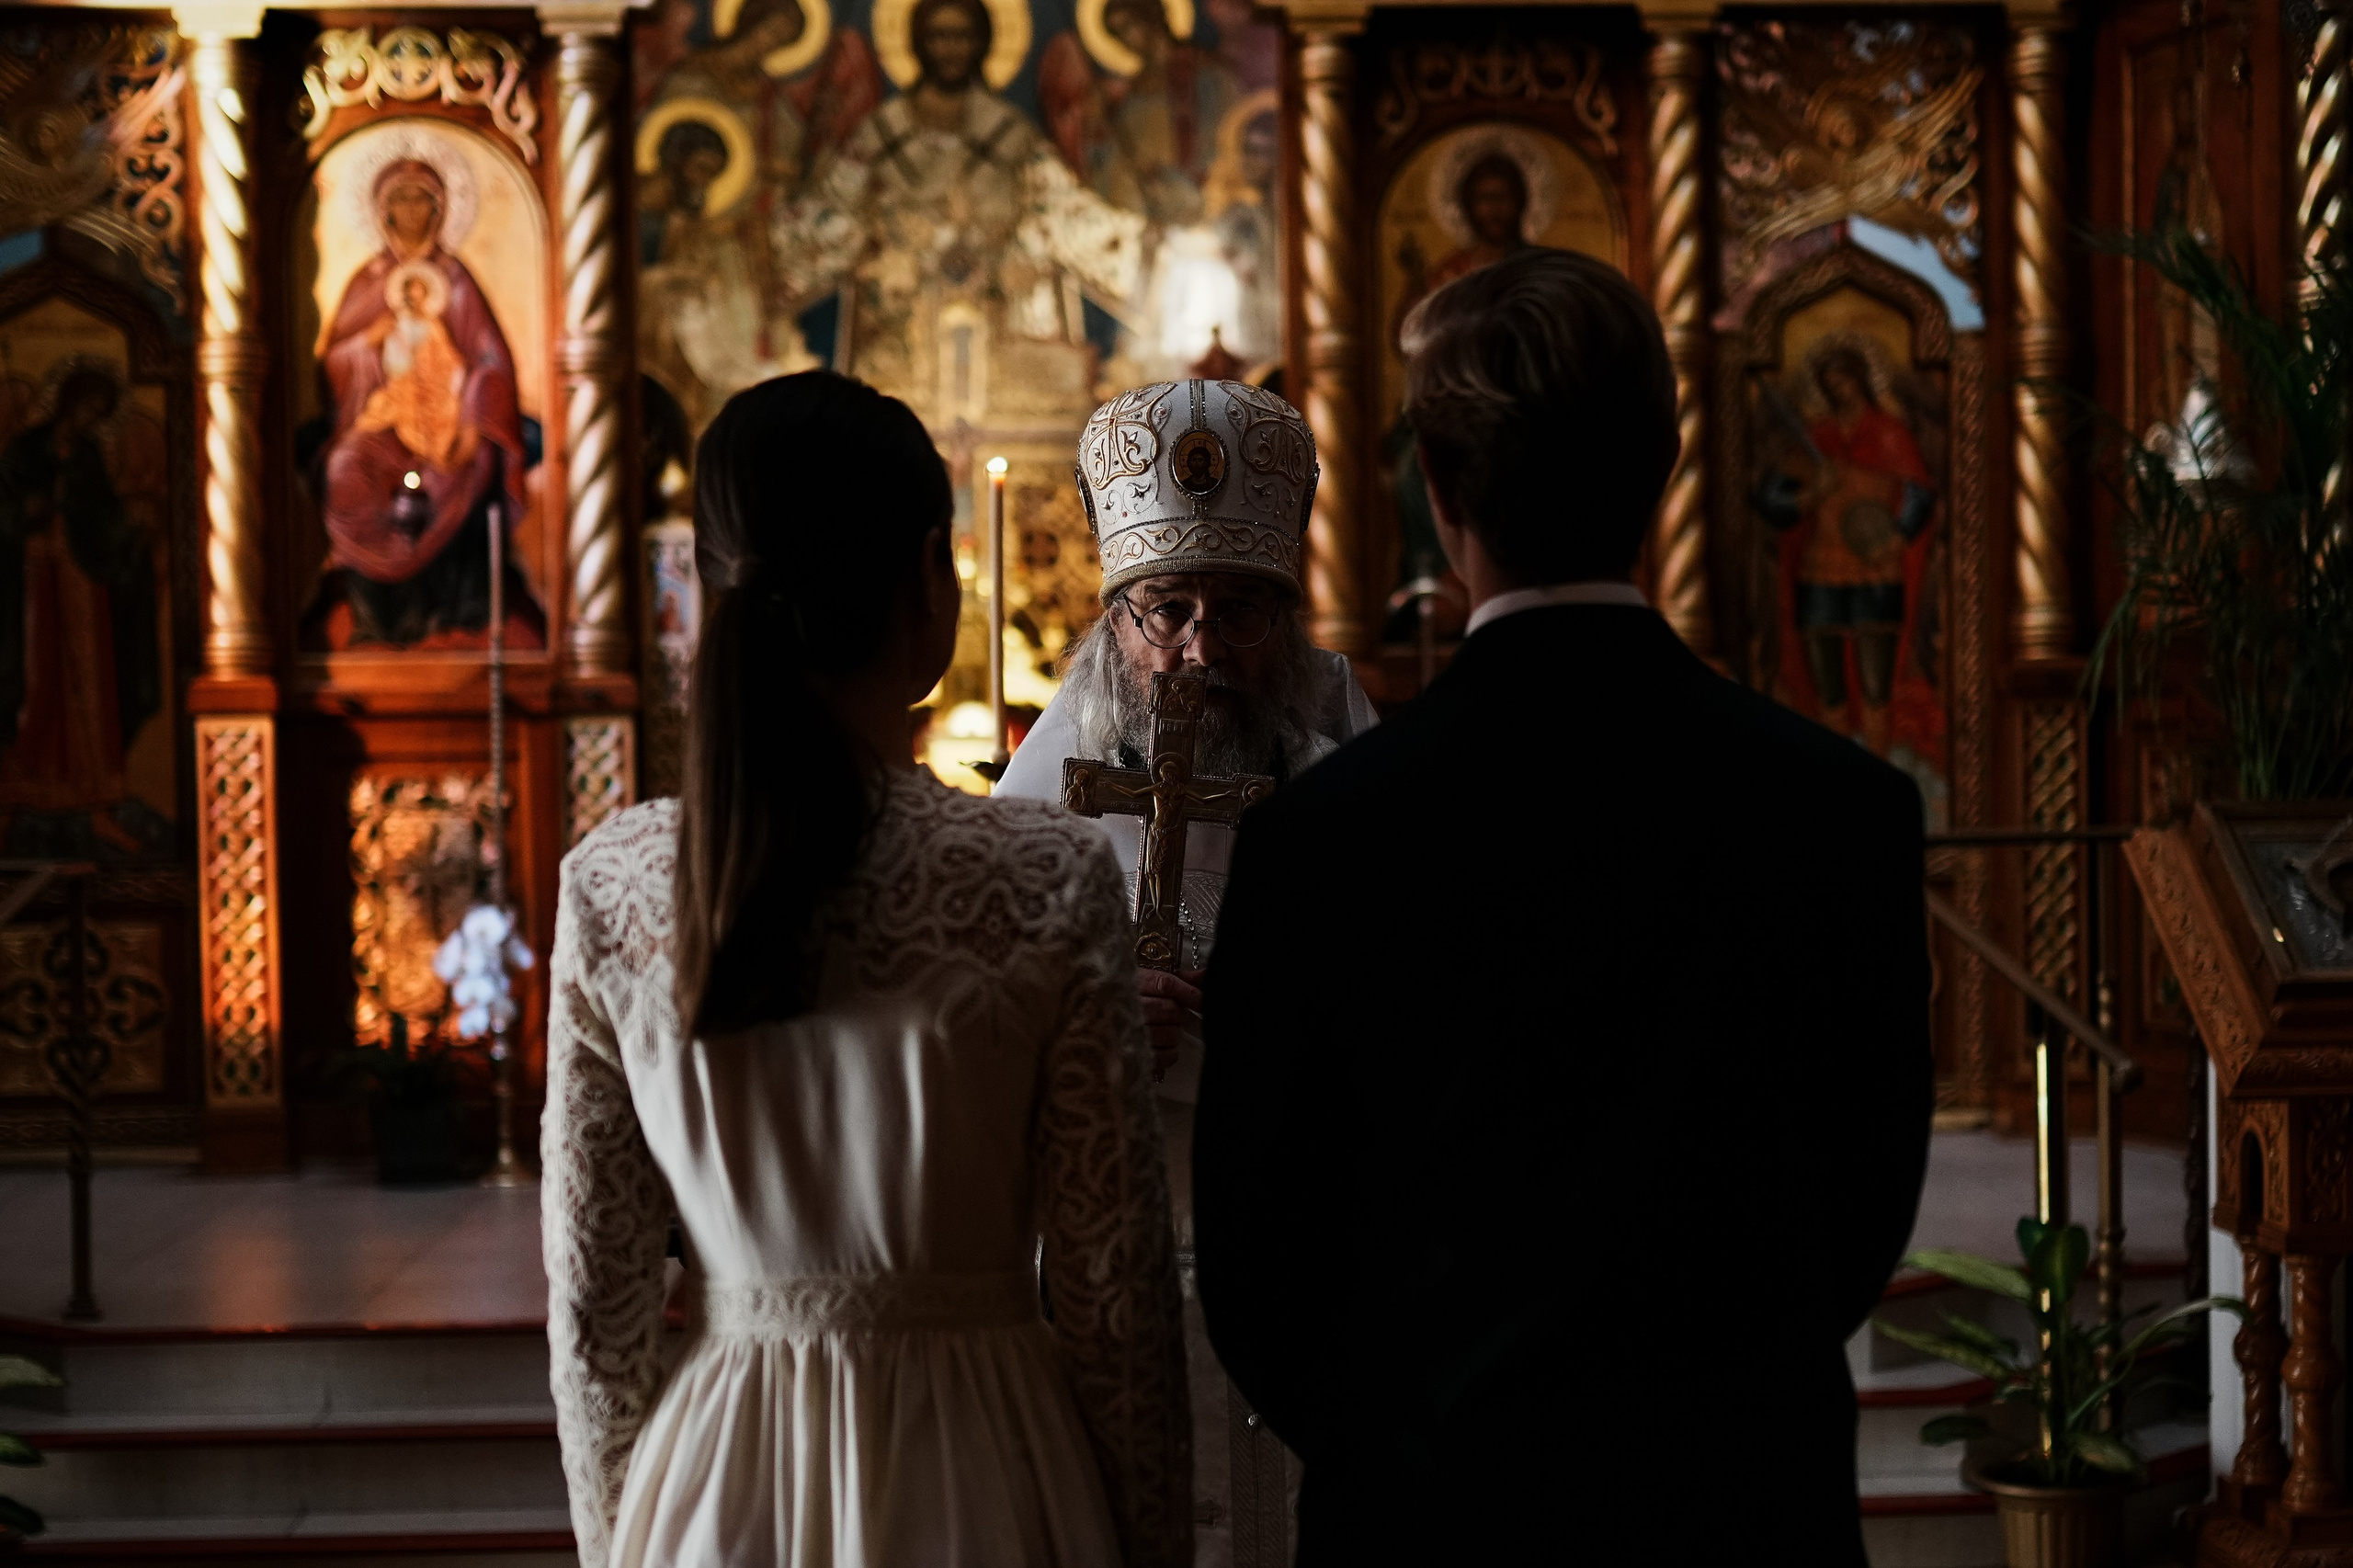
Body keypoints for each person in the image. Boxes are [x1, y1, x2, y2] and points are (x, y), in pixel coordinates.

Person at [1193, 250, 1933, 1563]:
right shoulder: (1840, 810)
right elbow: (1866, 1197)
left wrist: (1411, 1441)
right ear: (1665, 466)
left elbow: (1255, 1260)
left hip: (1431, 1513)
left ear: (1437, 487)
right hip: (1740, 1512)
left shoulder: (1319, 840)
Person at [542, 372, 1190, 1568]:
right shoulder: (1046, 876)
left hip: (717, 1480)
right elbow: (1115, 1296)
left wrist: (623, 1535)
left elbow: (599, 1313)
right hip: (989, 1466)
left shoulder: (616, 884)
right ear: (925, 585)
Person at [993, 377, 1375, 1561]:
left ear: (1289, 616)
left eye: (1241, 611)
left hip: (1310, 1248)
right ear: (1115, 615)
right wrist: (1088, 1031)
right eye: (1166, 608)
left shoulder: (1344, 760)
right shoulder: (1047, 791)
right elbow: (967, 1051)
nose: (1201, 647)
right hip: (1116, 1254)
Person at [313, 157, 540, 648]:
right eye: (399, 199)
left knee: (463, 469)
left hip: (448, 424)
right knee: (344, 469)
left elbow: (490, 363)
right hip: (382, 421)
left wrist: (470, 425)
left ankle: (453, 614)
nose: (411, 209)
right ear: (382, 212)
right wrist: (368, 343)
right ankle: (375, 618)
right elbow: (334, 360)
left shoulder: (455, 280)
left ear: (438, 209)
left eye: (421, 199)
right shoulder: (369, 280)